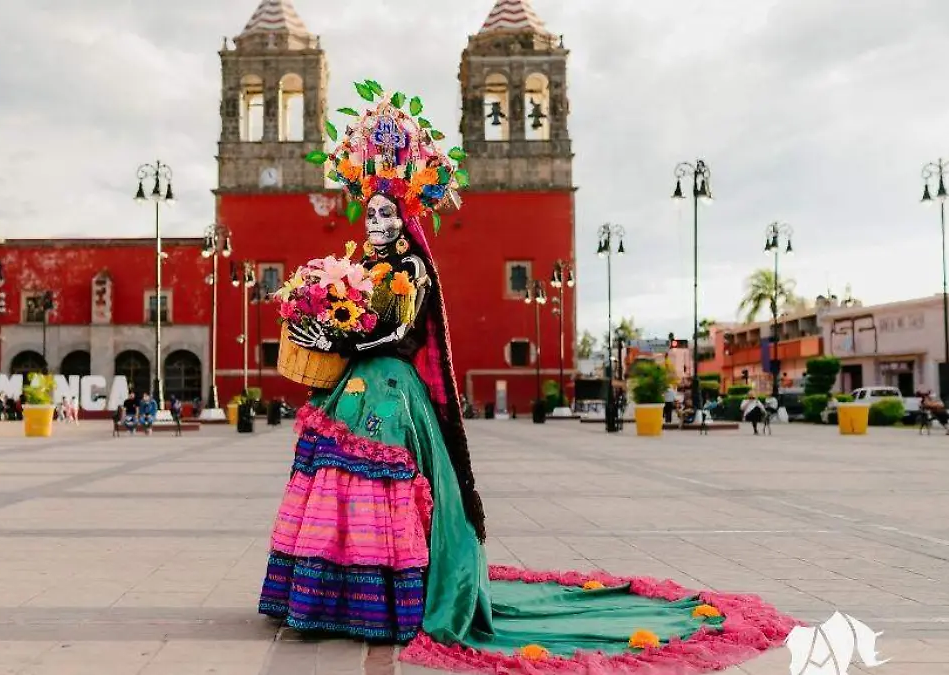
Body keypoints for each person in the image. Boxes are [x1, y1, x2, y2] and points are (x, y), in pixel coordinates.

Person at [262, 90, 792, 671]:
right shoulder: (357, 266)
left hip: (393, 392)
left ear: (407, 217)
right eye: (371, 212)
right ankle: (327, 598)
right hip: (353, 389)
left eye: (389, 213)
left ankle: (382, 604)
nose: (378, 221)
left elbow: (403, 338)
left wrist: (336, 340)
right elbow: (356, 323)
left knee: (379, 491)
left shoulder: (412, 268)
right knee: (335, 488)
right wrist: (320, 328)